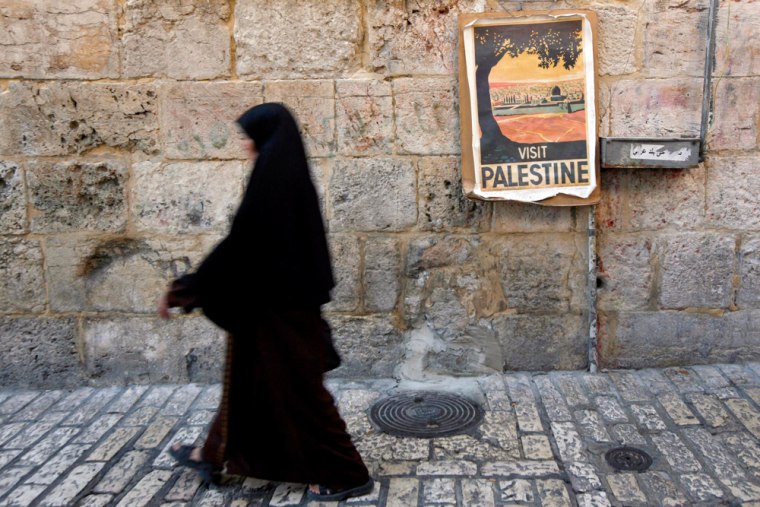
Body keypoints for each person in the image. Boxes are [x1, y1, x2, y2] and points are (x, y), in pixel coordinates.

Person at [158, 103, 373, 502]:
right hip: (266, 305)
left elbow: (242, 245)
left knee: (303, 394)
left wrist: (188, 288)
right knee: (248, 381)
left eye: (250, 138)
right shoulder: (282, 176)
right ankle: (214, 454)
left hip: (283, 310)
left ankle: (348, 474)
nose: (246, 147)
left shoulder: (275, 182)